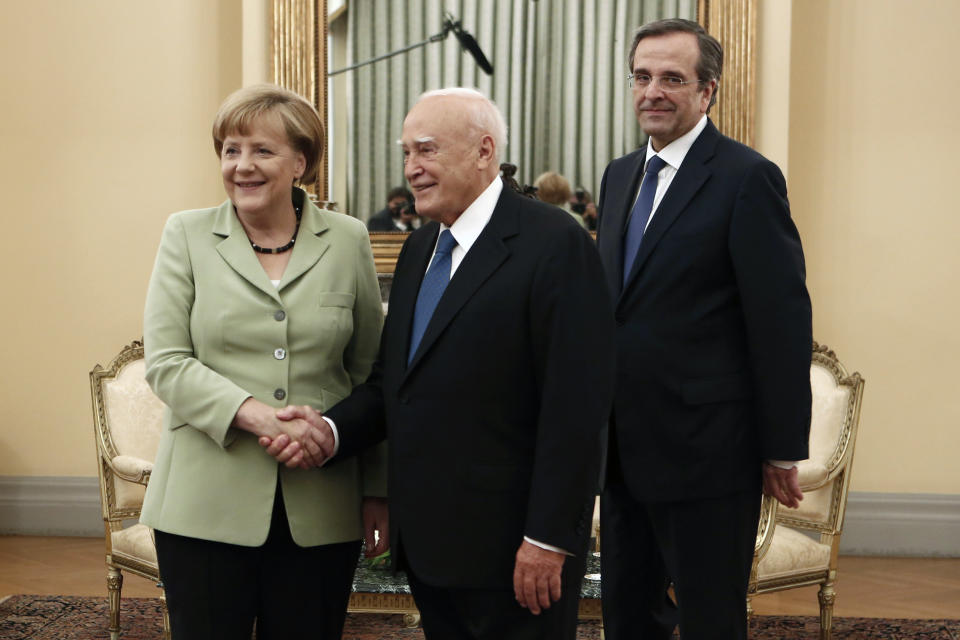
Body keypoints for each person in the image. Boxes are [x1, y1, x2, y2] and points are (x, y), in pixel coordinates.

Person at [263, 88, 616, 640]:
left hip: (517, 553)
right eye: (406, 154)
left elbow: (577, 408)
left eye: (425, 151)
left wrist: (549, 539)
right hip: (431, 550)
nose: (412, 169)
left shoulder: (555, 244)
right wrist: (329, 431)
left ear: (483, 151)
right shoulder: (420, 250)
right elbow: (393, 385)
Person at [140, 84, 387, 640]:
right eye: (230, 150)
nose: (241, 166)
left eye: (261, 150)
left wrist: (377, 490)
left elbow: (372, 375)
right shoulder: (187, 234)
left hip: (323, 505)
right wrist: (254, 414)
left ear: (301, 162)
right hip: (203, 504)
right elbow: (167, 361)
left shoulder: (348, 241)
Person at [595, 19, 812, 640]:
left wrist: (780, 445)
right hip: (621, 449)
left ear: (707, 91)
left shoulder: (747, 178)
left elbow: (781, 319)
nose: (652, 92)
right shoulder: (617, 177)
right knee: (628, 618)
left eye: (672, 78)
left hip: (709, 451)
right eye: (642, 77)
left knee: (710, 620)